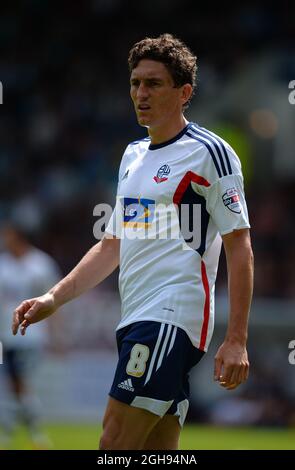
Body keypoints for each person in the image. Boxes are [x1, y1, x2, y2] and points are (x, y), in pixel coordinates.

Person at [12, 34, 254, 450]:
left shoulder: (210, 153)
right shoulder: (133, 156)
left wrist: (237, 339)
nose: (140, 93)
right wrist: (54, 298)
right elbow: (113, 246)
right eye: (135, 83)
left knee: (115, 441)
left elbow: (239, 243)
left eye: (154, 83)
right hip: (136, 317)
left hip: (172, 315)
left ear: (184, 93)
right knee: (157, 450)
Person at [0, 222, 60, 449]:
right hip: (3, 337)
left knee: (20, 383)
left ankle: (23, 434)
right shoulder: (2, 265)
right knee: (13, 385)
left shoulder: (41, 264)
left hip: (32, 335)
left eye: (8, 236)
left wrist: (57, 335)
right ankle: (33, 434)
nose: (4, 240)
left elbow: (54, 300)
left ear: (19, 237)